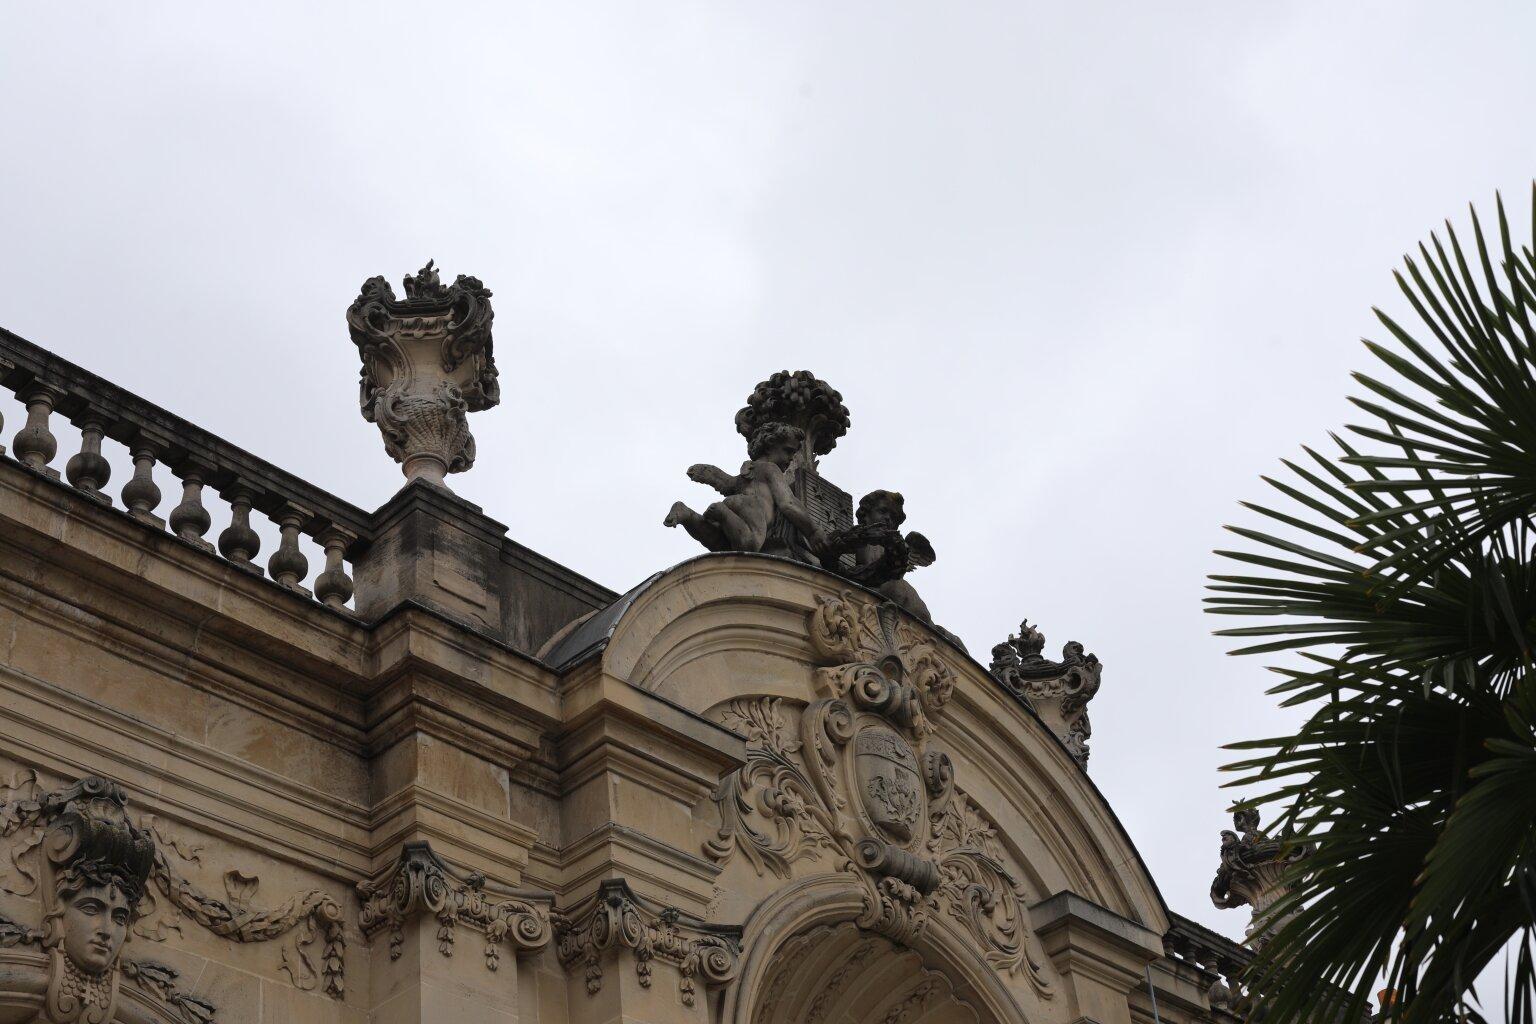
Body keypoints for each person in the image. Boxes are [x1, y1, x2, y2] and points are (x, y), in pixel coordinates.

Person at [665, 422, 827, 554]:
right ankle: (721, 512)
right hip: (752, 510)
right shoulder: (771, 468)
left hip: (735, 507)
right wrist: (813, 531)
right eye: (788, 451)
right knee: (750, 545)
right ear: (769, 445)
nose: (791, 458)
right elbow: (788, 503)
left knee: (718, 542)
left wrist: (706, 473)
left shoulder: (748, 473)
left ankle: (687, 515)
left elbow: (727, 483)